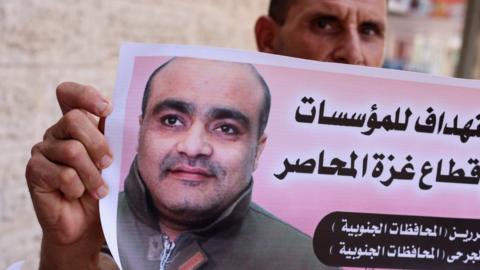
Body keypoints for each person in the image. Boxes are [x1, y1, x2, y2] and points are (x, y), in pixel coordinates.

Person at [25, 0, 387, 269]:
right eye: (324, 23)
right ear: (268, 37)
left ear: (258, 149)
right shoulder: (103, 214)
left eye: (370, 30)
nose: (354, 53)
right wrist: (68, 250)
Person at [116, 57, 331, 269]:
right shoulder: (90, 227)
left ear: (258, 150)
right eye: (172, 120)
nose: (193, 147)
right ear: (141, 131)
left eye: (226, 128)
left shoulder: (304, 262)